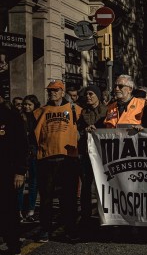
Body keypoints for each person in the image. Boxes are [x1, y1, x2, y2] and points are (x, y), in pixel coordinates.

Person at [32, 80, 83, 243]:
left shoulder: (75, 110)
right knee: (46, 198)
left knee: (68, 198)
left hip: (68, 159)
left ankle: (70, 230)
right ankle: (45, 229)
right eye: (50, 91)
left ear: (63, 92)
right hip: (47, 159)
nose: (52, 93)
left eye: (55, 90)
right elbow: (33, 135)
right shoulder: (40, 111)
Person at [0, 103, 28, 255]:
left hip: (7, 171)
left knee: (8, 209)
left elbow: (21, 145)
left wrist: (20, 171)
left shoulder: (11, 115)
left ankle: (13, 244)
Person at [77, 85, 107, 227]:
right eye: (86, 95)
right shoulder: (83, 113)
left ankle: (106, 215)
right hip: (87, 154)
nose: (88, 97)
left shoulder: (107, 111)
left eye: (91, 94)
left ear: (98, 96)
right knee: (86, 187)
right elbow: (77, 132)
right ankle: (85, 216)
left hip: (103, 155)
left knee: (104, 185)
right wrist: (85, 131)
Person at [17, 95, 40, 223]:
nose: (26, 106)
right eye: (25, 104)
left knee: (33, 182)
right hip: (22, 152)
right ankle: (18, 211)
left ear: (34, 106)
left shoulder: (37, 117)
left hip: (34, 151)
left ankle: (31, 210)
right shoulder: (20, 117)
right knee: (20, 183)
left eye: (29, 104)